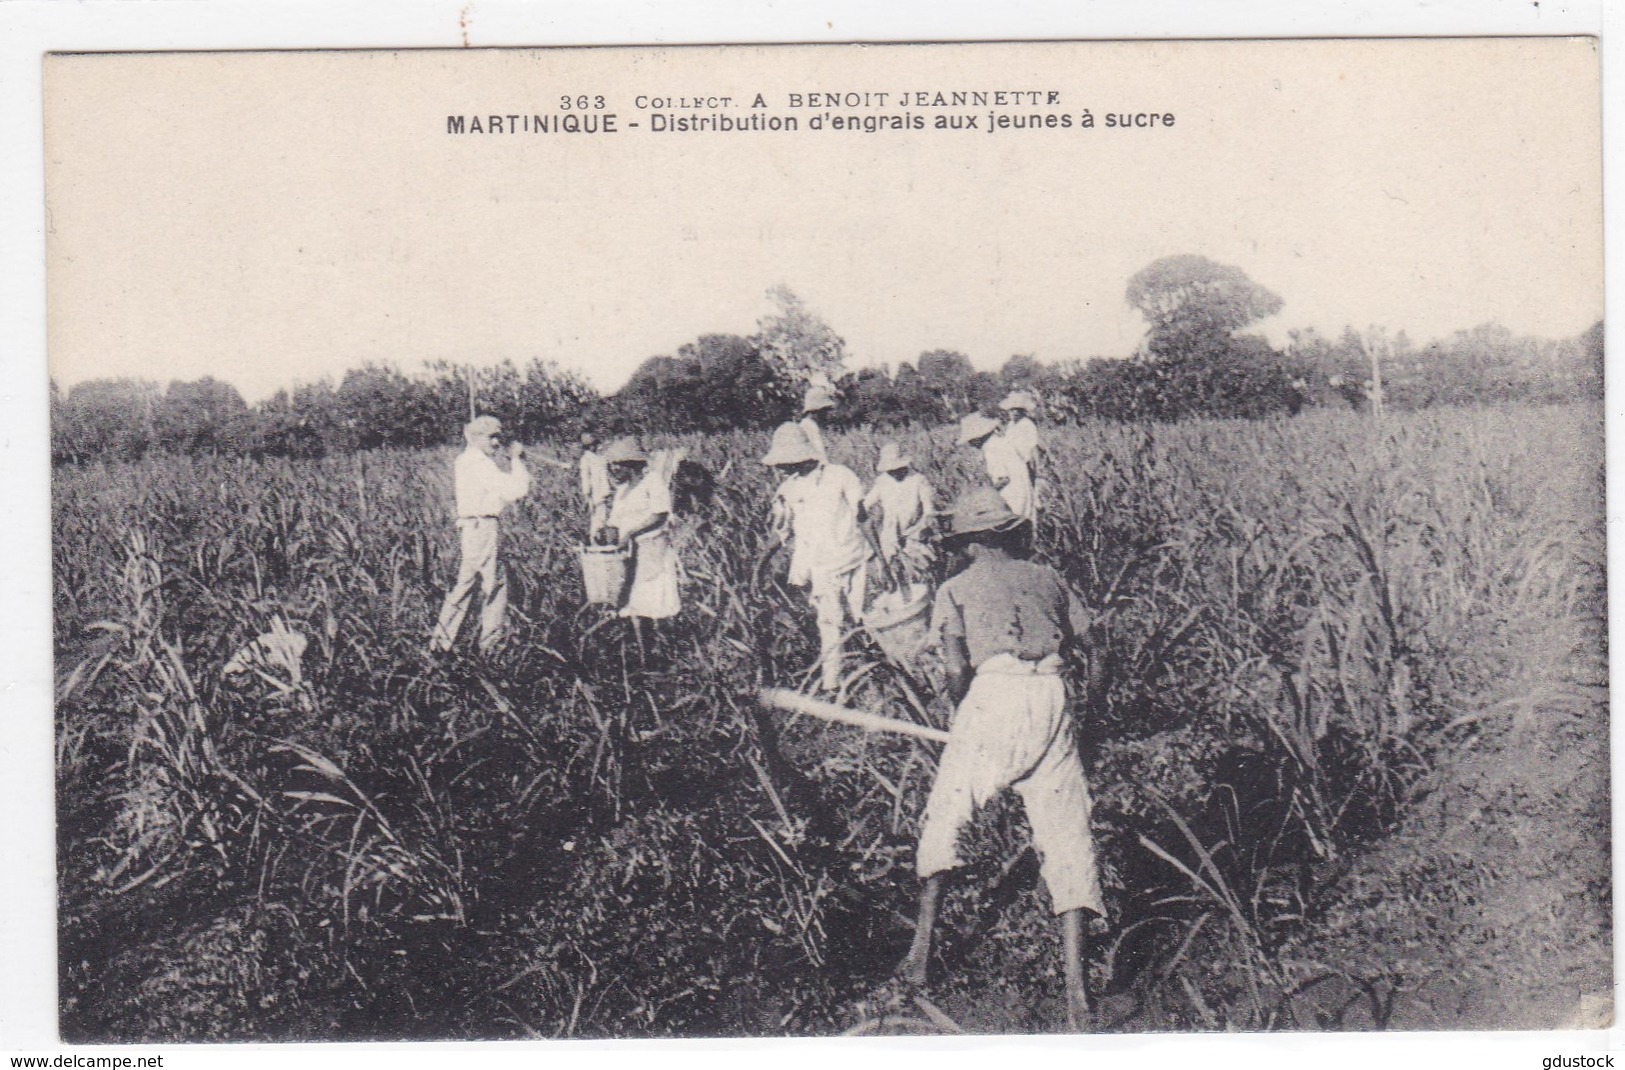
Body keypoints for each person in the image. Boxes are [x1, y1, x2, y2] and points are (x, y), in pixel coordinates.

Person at [900, 487, 1103, 1030]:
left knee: (947, 814)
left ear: (969, 543)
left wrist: (960, 709)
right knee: (1067, 834)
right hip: (1053, 697)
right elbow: (1094, 651)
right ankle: (1077, 993)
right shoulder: (1049, 578)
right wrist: (1089, 715)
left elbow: (956, 671)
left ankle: (919, 960)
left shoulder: (956, 588)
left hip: (994, 697)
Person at [763, 421, 869, 693]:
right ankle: (834, 684)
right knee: (829, 624)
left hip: (853, 557)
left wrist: (880, 556)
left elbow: (863, 516)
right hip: (821, 568)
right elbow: (782, 531)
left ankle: (873, 670)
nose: (782, 467)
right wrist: (760, 563)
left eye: (786, 461)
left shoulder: (840, 475)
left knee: (861, 618)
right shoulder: (788, 489)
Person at [429, 415, 531, 654]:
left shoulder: (468, 460)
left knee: (468, 584)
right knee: (493, 585)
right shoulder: (478, 463)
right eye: (491, 437)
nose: (496, 443)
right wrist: (517, 461)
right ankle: (490, 647)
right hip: (481, 528)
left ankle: (441, 643)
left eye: (498, 437)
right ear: (474, 437)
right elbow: (515, 490)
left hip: (475, 529)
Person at [594, 436, 680, 620]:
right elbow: (615, 522)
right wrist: (604, 532)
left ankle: (655, 640)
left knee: (650, 601)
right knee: (629, 601)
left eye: (617, 465)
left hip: (651, 548)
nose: (613, 470)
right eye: (611, 465)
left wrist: (632, 533)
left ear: (630, 464)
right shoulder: (622, 491)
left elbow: (659, 514)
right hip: (627, 551)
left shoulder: (652, 482)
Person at [862, 441, 935, 586]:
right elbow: (866, 504)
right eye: (890, 470)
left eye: (897, 469)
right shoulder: (883, 481)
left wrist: (916, 531)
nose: (894, 473)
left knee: (920, 572)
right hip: (890, 535)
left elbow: (929, 512)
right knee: (891, 574)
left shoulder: (918, 480)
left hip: (913, 533)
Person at [958, 412, 1034, 545]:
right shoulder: (1001, 442)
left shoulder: (991, 450)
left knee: (1008, 531)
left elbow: (1003, 479)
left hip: (1012, 496)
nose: (971, 444)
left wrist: (982, 495)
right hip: (1023, 489)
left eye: (971, 440)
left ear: (978, 437)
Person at [578, 430, 612, 536]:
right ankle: (596, 538)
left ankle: (601, 536)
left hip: (602, 490)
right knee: (597, 516)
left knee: (602, 514)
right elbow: (585, 478)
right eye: (593, 445)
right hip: (595, 492)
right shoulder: (586, 459)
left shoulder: (598, 458)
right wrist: (587, 494)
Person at [799, 385, 835, 464]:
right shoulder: (808, 427)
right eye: (825, 410)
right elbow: (821, 459)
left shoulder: (814, 426)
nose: (828, 414)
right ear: (816, 410)